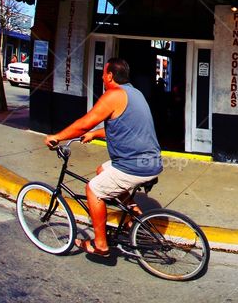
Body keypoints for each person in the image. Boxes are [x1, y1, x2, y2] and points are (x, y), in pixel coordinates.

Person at [44, 58, 163, 256]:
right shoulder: (135, 94)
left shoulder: (113, 95)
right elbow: (123, 129)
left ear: (110, 76)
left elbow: (84, 123)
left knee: (94, 189)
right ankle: (134, 216)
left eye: (103, 73)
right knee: (102, 171)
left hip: (134, 165)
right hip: (149, 161)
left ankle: (100, 245)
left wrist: (57, 137)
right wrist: (95, 134)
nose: (101, 76)